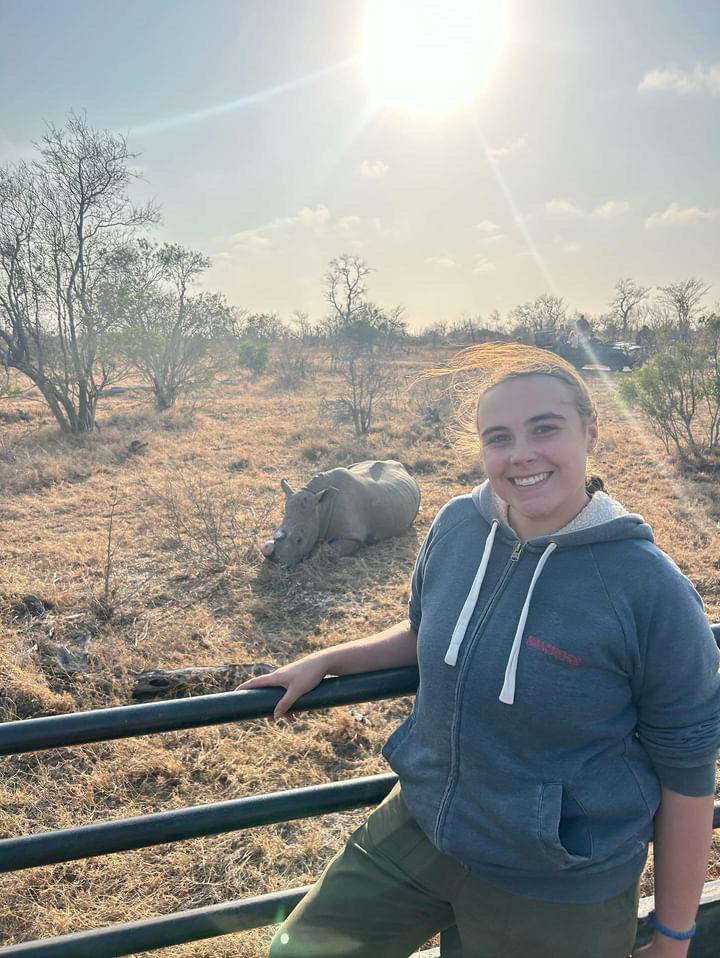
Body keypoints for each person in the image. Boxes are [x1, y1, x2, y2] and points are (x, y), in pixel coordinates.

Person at [239, 343, 719, 958]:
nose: (520, 454)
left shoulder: (648, 588)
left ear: (591, 432)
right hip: (424, 822)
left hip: (556, 878)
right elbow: (427, 633)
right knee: (296, 952)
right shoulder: (457, 527)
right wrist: (330, 659)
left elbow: (688, 776)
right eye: (499, 437)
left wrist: (675, 938)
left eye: (544, 429)